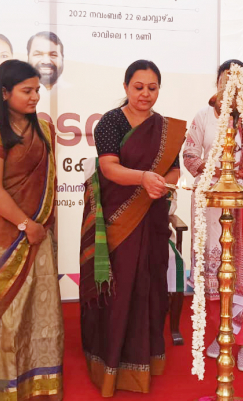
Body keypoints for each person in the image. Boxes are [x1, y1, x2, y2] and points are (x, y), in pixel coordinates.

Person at [79, 60, 186, 397]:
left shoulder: (165, 129)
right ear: (126, 87)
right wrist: (144, 179)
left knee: (149, 286)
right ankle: (109, 362)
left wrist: (162, 185)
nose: (145, 94)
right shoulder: (111, 122)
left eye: (152, 88)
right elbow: (109, 167)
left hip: (151, 217)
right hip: (118, 219)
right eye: (138, 87)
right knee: (118, 286)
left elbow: (173, 172)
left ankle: (144, 360)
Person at [0, 59, 64, 400]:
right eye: (27, 91)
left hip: (35, 232)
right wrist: (26, 225)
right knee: (5, 316)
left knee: (39, 313)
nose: (35, 97)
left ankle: (39, 385)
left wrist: (36, 228)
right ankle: (2, 389)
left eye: (37, 90)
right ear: (5, 92)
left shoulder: (43, 128)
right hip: (1, 234)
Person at [183, 59, 243, 371]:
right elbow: (189, 153)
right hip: (211, 202)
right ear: (218, 81)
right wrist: (211, 171)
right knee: (214, 275)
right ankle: (222, 335)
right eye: (226, 79)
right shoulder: (204, 116)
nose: (232, 85)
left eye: (238, 80)